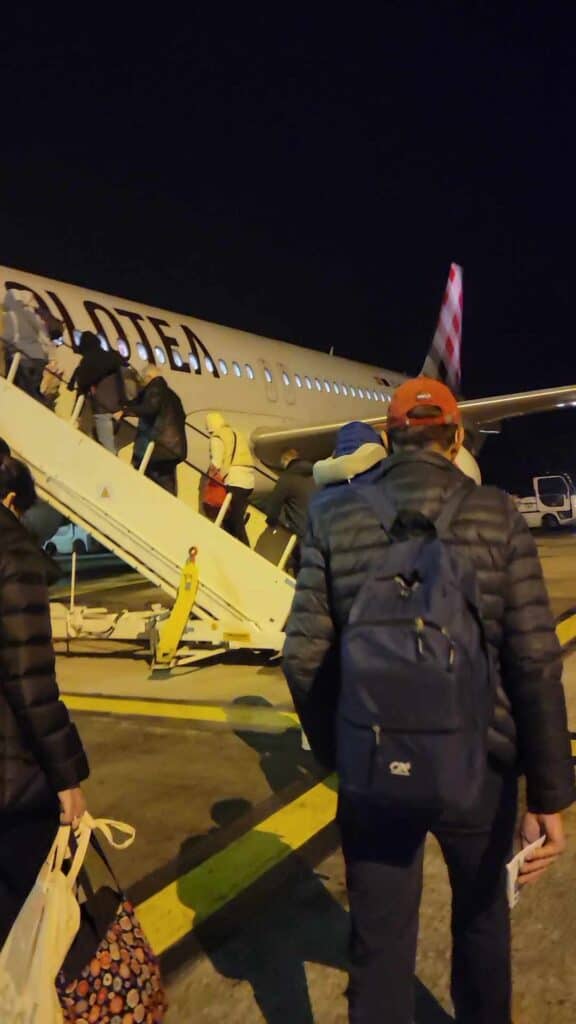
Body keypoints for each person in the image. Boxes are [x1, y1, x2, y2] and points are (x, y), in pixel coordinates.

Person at [283, 377, 574, 1024]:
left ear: (387, 438)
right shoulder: (496, 514)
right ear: (457, 438)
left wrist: (345, 755)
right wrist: (550, 793)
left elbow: (302, 656)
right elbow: (533, 660)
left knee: (380, 946)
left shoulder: (332, 516)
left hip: (375, 771)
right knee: (480, 923)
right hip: (481, 769)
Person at [0, 454, 89, 945]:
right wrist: (67, 777)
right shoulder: (12, 555)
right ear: (12, 498)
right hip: (12, 782)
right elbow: (30, 680)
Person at [118, 365, 187, 495]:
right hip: (175, 448)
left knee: (143, 476)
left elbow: (150, 408)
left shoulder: (155, 388)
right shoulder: (173, 396)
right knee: (166, 483)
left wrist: (125, 411)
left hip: (158, 447)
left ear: (149, 377)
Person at [68, 330, 126, 453]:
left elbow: (82, 386)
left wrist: (76, 413)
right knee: (104, 440)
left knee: (107, 445)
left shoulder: (89, 360)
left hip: (103, 408)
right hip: (119, 408)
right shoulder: (112, 358)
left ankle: (111, 469)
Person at [205, 412, 255, 545]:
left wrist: (208, 476)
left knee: (234, 519)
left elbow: (216, 462)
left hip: (235, 479)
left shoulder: (217, 437)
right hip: (249, 479)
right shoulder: (236, 432)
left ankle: (245, 549)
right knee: (234, 516)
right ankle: (232, 543)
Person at [265, 448, 316, 572]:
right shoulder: (315, 475)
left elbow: (274, 504)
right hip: (321, 528)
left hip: (302, 530)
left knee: (298, 565)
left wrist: (271, 521)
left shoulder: (288, 477)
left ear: (286, 460)